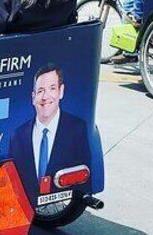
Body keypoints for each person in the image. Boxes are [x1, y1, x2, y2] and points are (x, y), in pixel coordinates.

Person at [8, 64, 92, 202]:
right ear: (33, 97)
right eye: (40, 91)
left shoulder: (77, 128)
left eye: (52, 88)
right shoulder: (17, 135)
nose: (45, 97)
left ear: (61, 91)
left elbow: (84, 183)